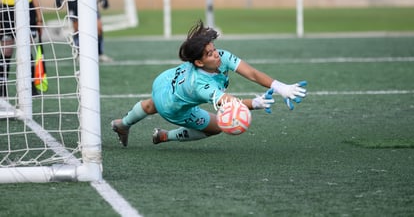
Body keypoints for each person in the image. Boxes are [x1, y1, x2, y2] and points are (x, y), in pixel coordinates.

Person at [111, 20, 307, 147]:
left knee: (151, 104)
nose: (216, 54)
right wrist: (254, 103)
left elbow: (253, 74)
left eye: (214, 49)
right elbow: (229, 104)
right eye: (210, 54)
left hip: (164, 80)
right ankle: (165, 136)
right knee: (216, 127)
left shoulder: (221, 56)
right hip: (171, 107)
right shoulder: (201, 85)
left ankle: (123, 123)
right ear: (199, 62)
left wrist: (281, 87)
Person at [0, 0, 43, 97]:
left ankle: (31, 86)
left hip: (26, 11)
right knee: (7, 50)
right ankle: (2, 87)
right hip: (6, 12)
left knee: (26, 47)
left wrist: (39, 17)